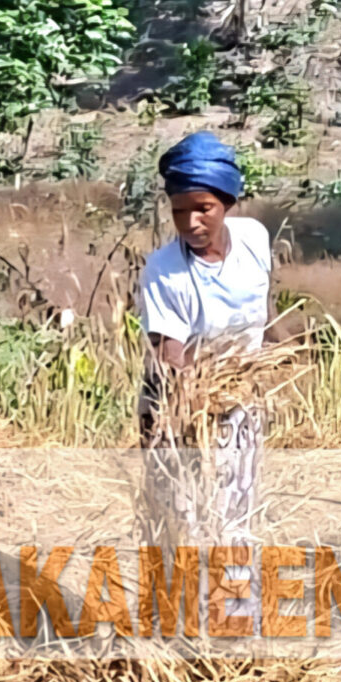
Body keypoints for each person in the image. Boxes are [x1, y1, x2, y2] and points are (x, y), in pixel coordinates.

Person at [136, 131, 275, 552]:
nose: (191, 222)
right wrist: (181, 421)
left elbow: (264, 305)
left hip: (244, 401)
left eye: (204, 209)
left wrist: (280, 361)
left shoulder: (253, 239)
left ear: (228, 204)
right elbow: (168, 356)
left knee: (237, 516)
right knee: (189, 521)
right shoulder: (164, 271)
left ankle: (233, 611)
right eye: (180, 211)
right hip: (186, 410)